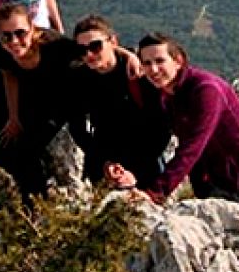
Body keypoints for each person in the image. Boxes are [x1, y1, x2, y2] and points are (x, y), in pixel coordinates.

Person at [132, 33, 239, 206]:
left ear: (178, 60)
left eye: (160, 61)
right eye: (147, 63)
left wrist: (157, 191)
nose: (153, 70)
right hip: (215, 174)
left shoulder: (206, 90)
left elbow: (193, 145)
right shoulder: (168, 90)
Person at [0, 3, 78, 198]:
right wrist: (13, 118)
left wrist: (127, 55)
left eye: (21, 33)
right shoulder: (1, 51)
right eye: (6, 36)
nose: (15, 41)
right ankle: (16, 193)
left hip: (59, 99)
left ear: (33, 28)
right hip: (28, 93)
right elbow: (9, 77)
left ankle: (37, 201)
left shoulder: (54, 45)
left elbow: (91, 51)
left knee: (28, 150)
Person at [67, 15, 171, 191]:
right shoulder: (79, 78)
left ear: (113, 42)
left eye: (95, 46)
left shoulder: (138, 72)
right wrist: (104, 162)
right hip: (105, 157)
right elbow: (77, 127)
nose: (89, 54)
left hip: (145, 156)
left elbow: (162, 125)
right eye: (82, 49)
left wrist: (135, 169)